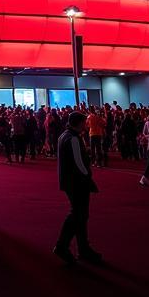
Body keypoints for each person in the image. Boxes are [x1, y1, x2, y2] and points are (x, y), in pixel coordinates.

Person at [53, 112, 102, 264]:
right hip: (77, 182)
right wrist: (88, 177)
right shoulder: (74, 138)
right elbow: (79, 163)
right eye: (84, 122)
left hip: (69, 181)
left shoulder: (64, 136)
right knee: (78, 214)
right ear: (79, 123)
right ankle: (63, 246)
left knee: (80, 214)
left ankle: (83, 248)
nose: (86, 125)